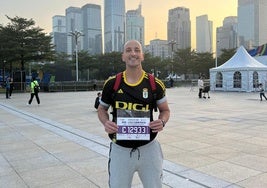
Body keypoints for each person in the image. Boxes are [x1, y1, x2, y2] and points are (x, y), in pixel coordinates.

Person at [97, 40, 170, 188]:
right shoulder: (112, 83)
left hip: (149, 149)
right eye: (129, 50)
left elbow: (165, 110)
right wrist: (106, 122)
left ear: (142, 56)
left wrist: (161, 121)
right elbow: (101, 109)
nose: (133, 53)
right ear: (123, 56)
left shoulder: (154, 83)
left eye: (137, 50)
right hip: (120, 150)